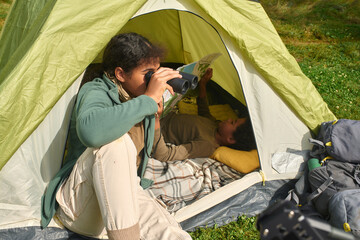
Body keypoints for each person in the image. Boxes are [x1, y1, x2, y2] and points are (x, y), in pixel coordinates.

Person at [41, 33, 192, 240]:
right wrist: (147, 101)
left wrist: (155, 118)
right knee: (115, 144)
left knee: (171, 233)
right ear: (120, 74)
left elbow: (157, 151)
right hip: (79, 209)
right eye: (148, 74)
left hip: (123, 199)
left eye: (157, 72)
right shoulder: (96, 90)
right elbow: (91, 133)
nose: (153, 80)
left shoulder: (140, 97)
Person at [151, 68, 256, 162]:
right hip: (165, 114)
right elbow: (204, 112)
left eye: (232, 122)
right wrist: (203, 85)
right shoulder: (215, 126)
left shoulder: (207, 145)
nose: (228, 119)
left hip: (154, 126)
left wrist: (155, 120)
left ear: (230, 139)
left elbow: (163, 155)